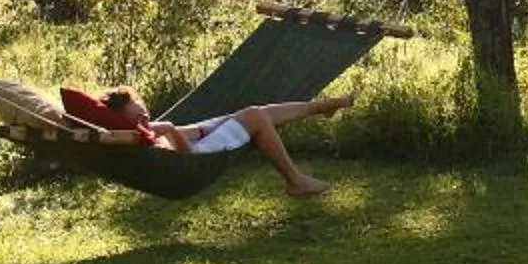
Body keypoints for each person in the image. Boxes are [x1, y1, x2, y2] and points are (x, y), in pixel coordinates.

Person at [100, 87, 356, 198]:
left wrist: (182, 130)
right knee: (255, 115)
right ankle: (295, 180)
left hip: (197, 138)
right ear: (121, 118)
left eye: (144, 110)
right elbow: (187, 160)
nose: (145, 116)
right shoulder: (137, 137)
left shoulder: (139, 131)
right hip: (202, 155)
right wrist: (168, 129)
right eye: (138, 114)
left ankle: (324, 106)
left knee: (259, 113)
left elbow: (177, 137)